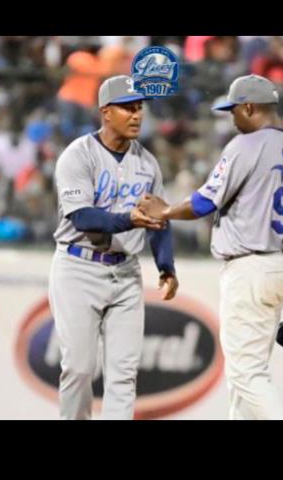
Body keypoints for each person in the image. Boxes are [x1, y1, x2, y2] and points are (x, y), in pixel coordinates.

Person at [138, 74, 283, 420]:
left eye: (234, 111)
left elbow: (205, 203)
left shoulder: (246, 146)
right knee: (243, 380)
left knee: (247, 375)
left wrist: (164, 211)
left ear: (250, 107)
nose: (233, 118)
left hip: (251, 267)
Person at [48, 75, 178, 420]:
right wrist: (129, 220)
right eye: (127, 108)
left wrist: (166, 266)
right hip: (79, 267)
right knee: (77, 367)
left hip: (126, 271)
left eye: (139, 108)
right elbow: (83, 218)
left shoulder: (148, 164)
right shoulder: (78, 155)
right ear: (106, 112)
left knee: (123, 374)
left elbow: (158, 219)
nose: (136, 115)